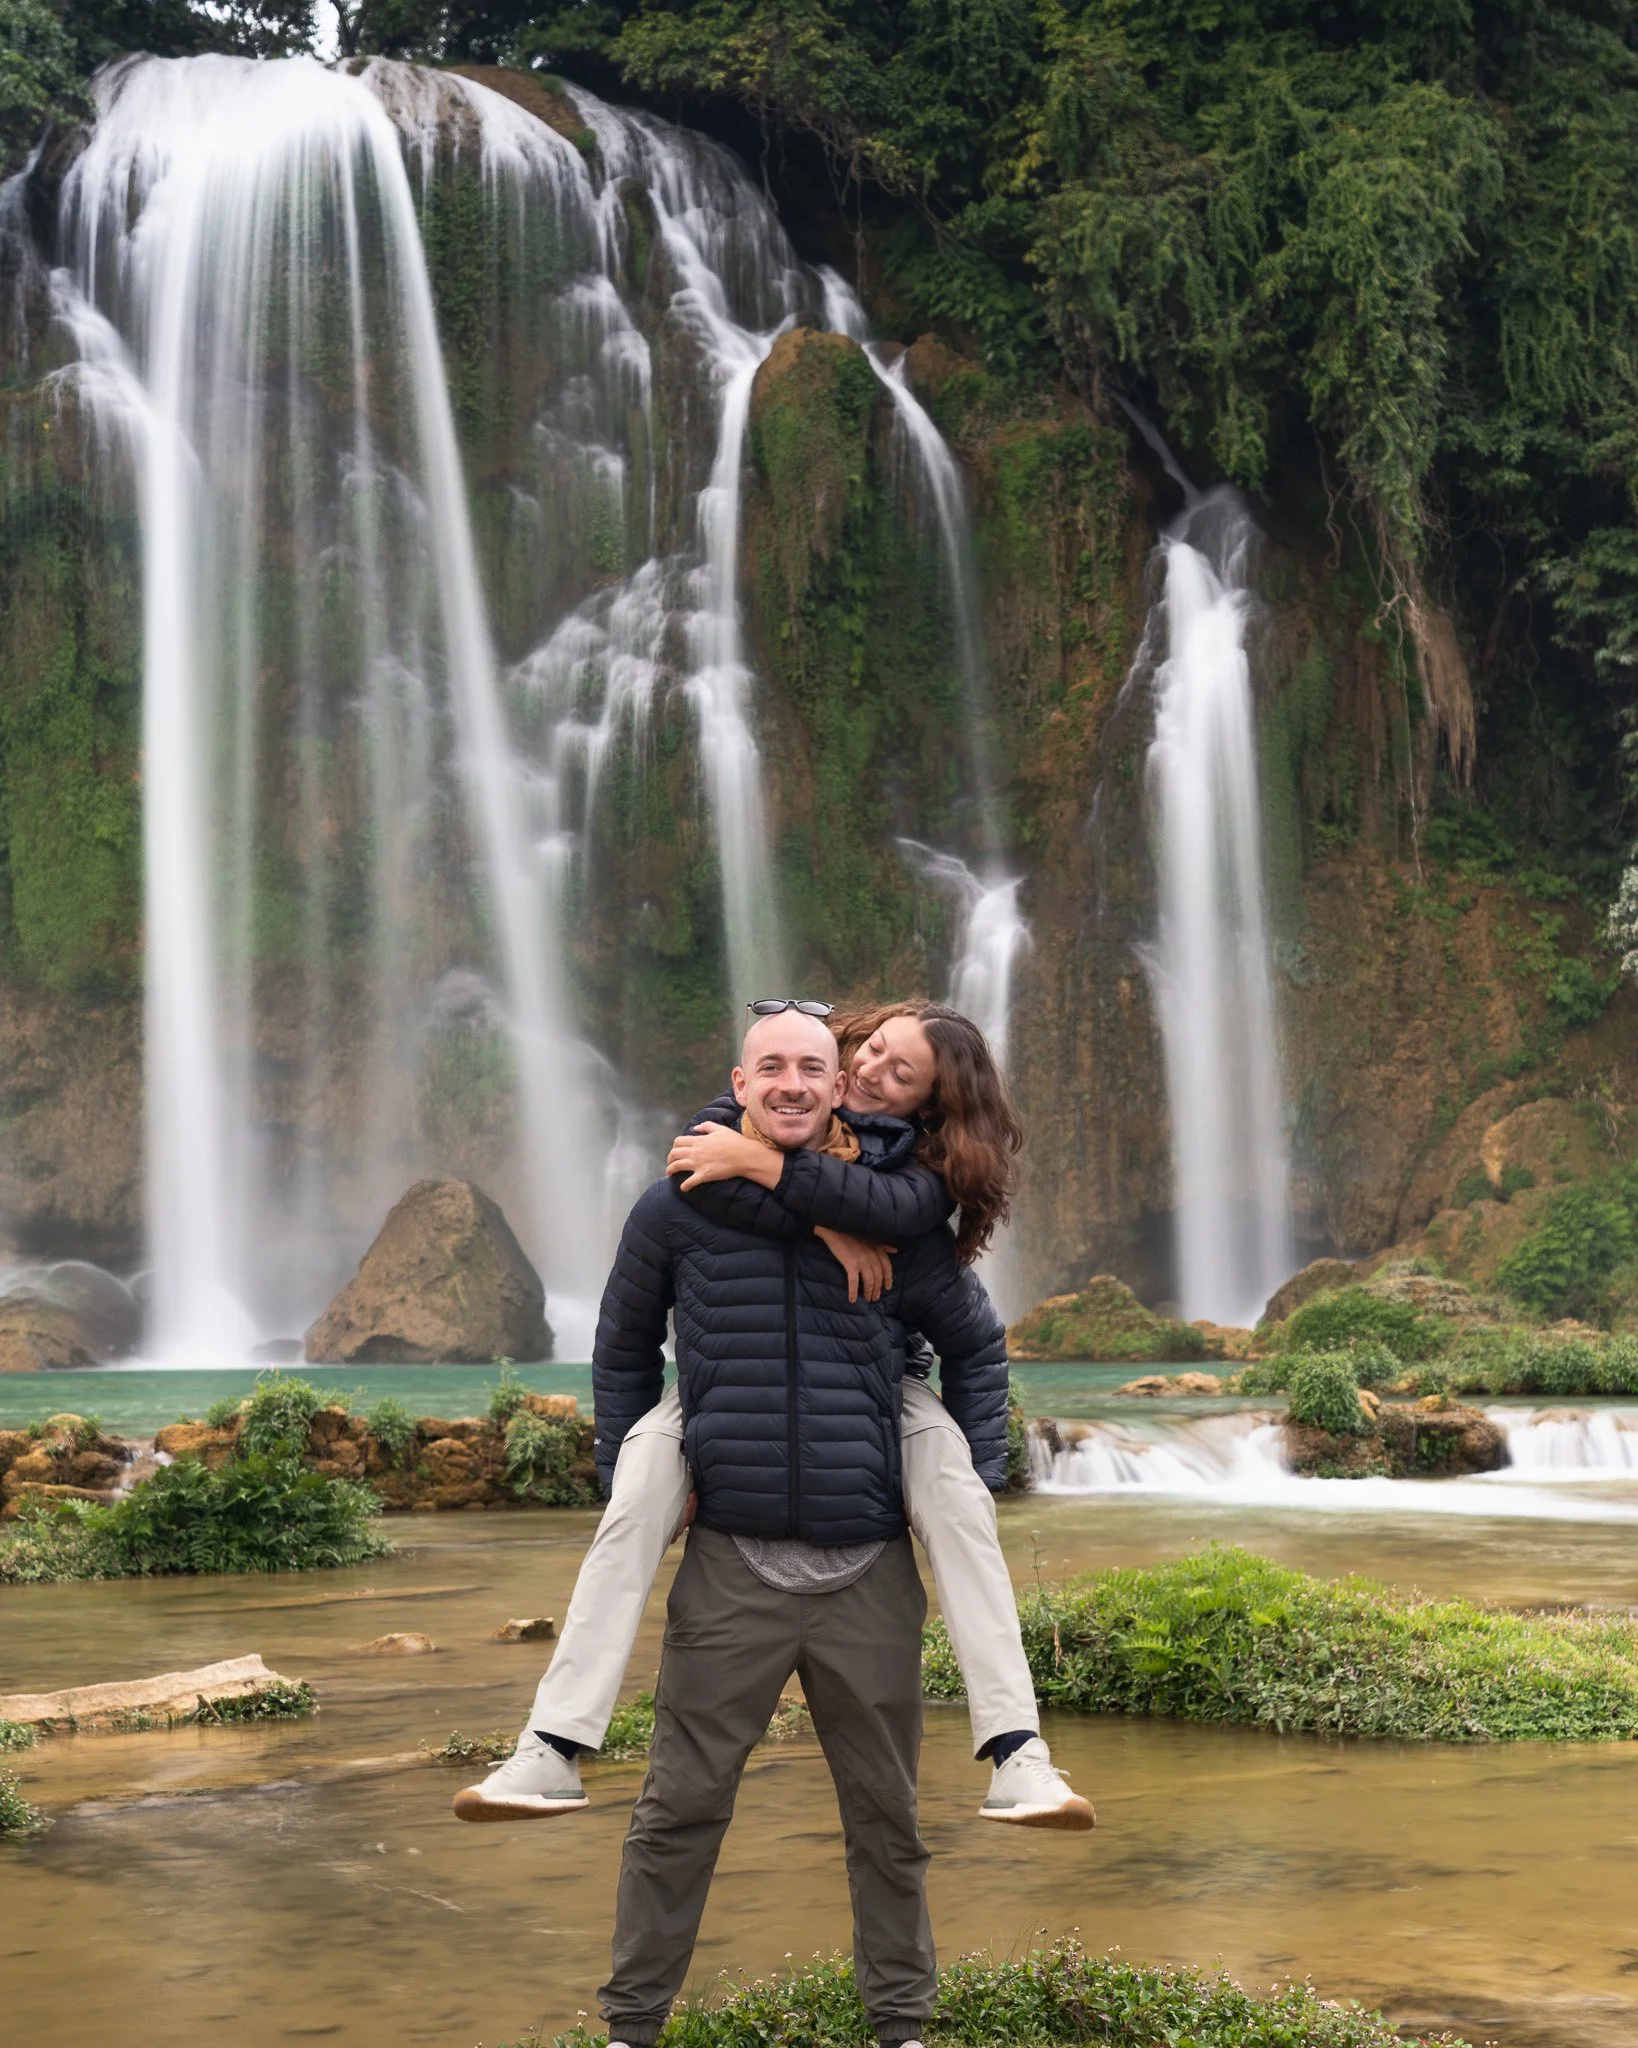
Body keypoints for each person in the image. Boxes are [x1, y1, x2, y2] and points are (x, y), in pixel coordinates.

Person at [453, 998, 1092, 1831]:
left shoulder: (906, 1197)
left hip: (875, 1393)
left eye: (898, 1074)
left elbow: (968, 1331)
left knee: (960, 1500)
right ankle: (551, 1747)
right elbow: (632, 1327)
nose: (867, 1072)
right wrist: (820, 1214)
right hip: (721, 1386)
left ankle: (1020, 1755)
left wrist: (973, 1466)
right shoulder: (712, 1151)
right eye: (871, 1052)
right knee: (636, 1491)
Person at [589, 1002, 1008, 2048]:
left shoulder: (899, 1227)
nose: (800, 1079)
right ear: (739, 1079)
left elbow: (978, 1346)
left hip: (867, 1563)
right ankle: (629, 2028)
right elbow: (623, 1347)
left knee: (889, 1821)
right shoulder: (677, 1203)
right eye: (771, 1064)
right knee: (677, 1812)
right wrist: (640, 1486)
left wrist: (965, 1481)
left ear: (838, 1092)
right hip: (731, 1559)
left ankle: (901, 2026)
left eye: (815, 1067)